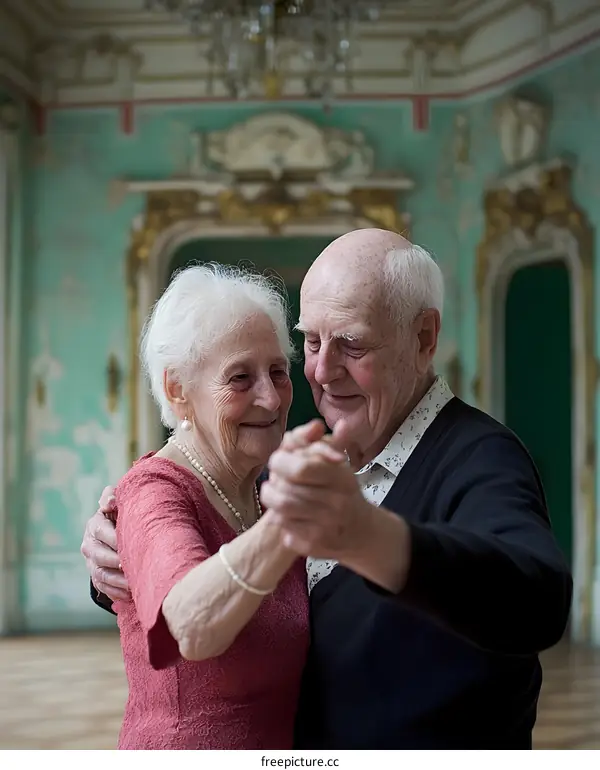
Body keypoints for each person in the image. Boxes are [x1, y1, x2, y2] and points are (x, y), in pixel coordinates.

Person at [82, 228, 572, 749]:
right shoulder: (295, 461)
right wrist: (123, 556)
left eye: (352, 345)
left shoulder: (482, 455)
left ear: (424, 339)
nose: (320, 371)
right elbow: (209, 574)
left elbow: (537, 601)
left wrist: (370, 538)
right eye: (311, 342)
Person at [97, 262, 310, 750]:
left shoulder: (263, 487)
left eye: (278, 371)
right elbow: (187, 626)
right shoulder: (154, 490)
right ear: (178, 390)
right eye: (240, 377)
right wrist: (291, 521)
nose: (271, 398)